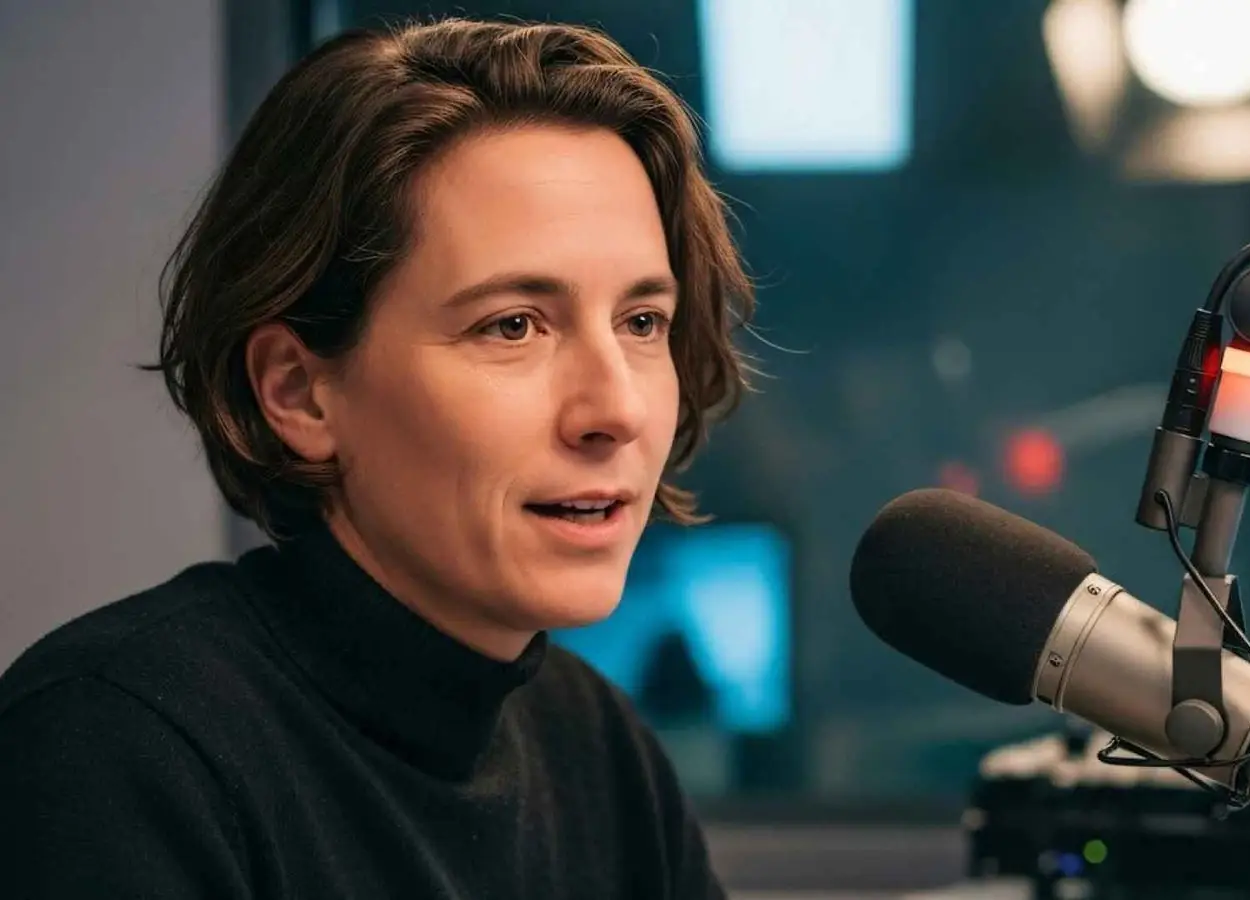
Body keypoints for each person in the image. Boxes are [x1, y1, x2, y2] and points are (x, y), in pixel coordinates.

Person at [0, 16, 753, 899]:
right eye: (513, 325)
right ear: (299, 392)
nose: (616, 409)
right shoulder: (115, 748)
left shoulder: (597, 746)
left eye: (642, 322)